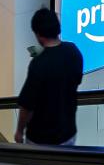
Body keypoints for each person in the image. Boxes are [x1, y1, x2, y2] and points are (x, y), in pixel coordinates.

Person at [15, 8, 84, 146]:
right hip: (68, 133)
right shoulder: (73, 51)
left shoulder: (38, 65)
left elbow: (27, 106)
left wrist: (19, 131)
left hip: (40, 139)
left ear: (39, 34)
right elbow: (76, 80)